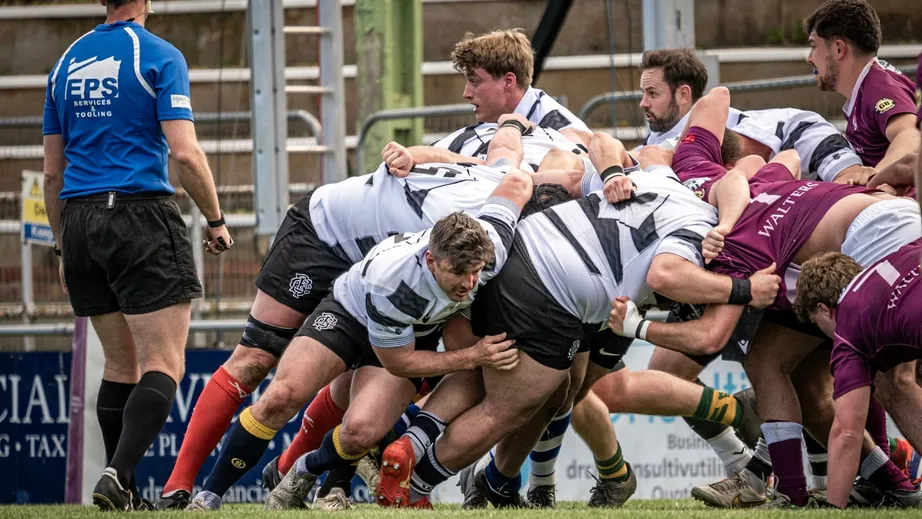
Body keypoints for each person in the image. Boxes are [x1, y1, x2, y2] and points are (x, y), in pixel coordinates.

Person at [373, 134, 782, 509]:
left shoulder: (667, 178)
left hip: (525, 251)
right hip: (558, 288)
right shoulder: (701, 227)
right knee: (513, 403)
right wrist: (742, 289)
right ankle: (416, 487)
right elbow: (668, 278)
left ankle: (453, 460)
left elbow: (608, 144)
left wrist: (615, 172)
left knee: (559, 391)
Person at [156, 115, 536, 509]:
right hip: (342, 278)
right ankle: (202, 494)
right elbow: (400, 360)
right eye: (460, 273)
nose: (470, 283)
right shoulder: (396, 280)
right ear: (432, 259)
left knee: (359, 427)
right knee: (276, 385)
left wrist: (516, 127)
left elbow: (516, 173)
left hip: (402, 317)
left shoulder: (490, 238)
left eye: (476, 274)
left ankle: (303, 471)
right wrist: (471, 356)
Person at [41, 0, 232, 511]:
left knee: (122, 365)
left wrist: (63, 245)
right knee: (164, 363)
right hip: (138, 214)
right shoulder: (158, 54)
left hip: (78, 219)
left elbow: (52, 174)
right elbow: (185, 153)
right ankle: (118, 474)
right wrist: (214, 218)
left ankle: (119, 486)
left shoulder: (66, 62)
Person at [793, 242, 922, 509]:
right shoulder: (899, 253)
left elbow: (847, 433)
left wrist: (834, 507)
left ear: (825, 309)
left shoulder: (849, 329)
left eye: (818, 324)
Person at [805, 0, 920, 170]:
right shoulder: (867, 86)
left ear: (838, 49)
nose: (809, 58)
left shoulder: (879, 88)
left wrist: (875, 175)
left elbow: (911, 134)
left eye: (813, 45)